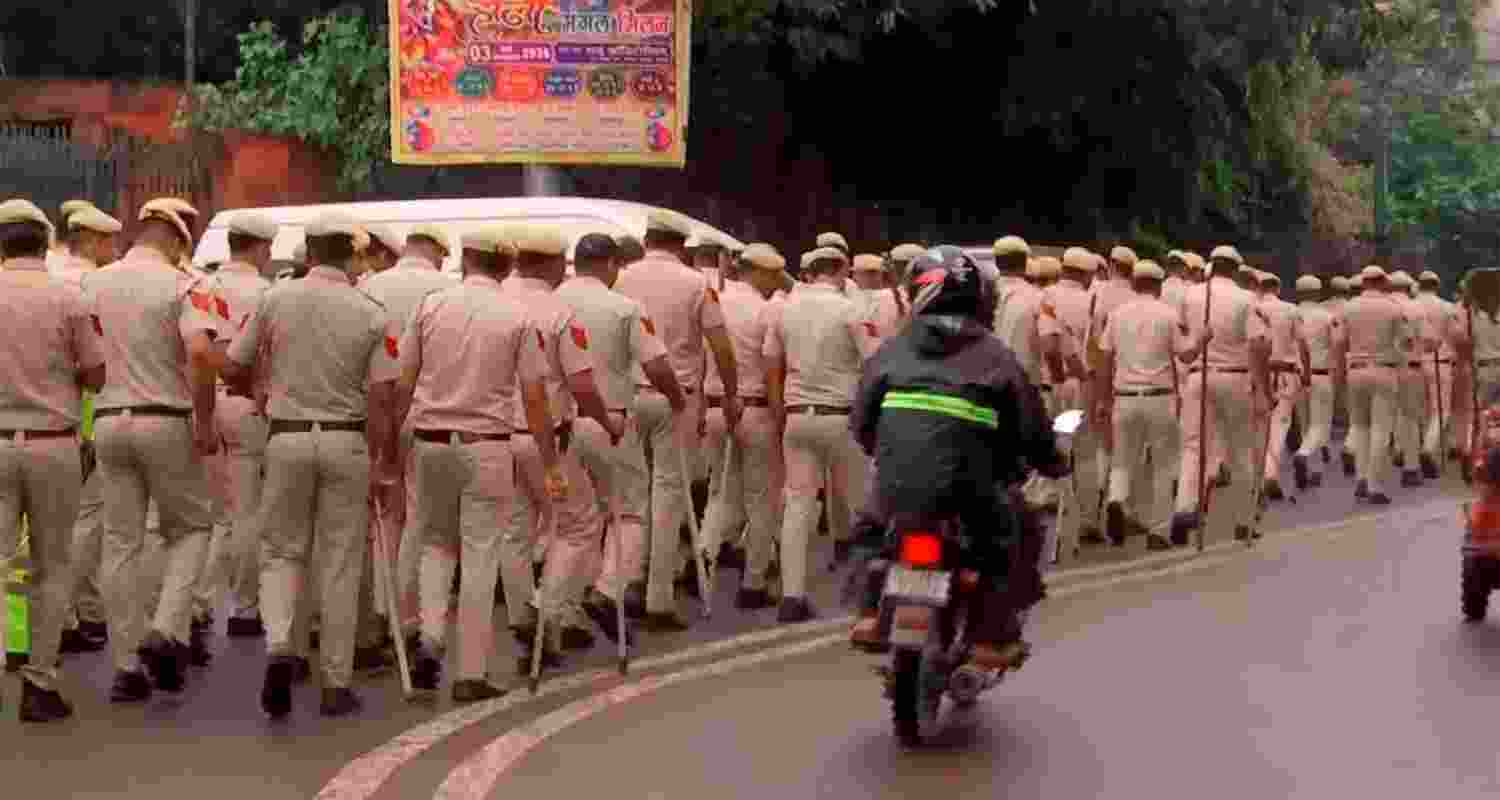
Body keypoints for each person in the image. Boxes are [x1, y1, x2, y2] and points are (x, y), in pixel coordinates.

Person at [848, 245, 1067, 668]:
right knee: (1016, 536)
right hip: (974, 491)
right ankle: (990, 636)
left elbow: (861, 422)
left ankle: (872, 611)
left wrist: (890, 454)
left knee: (871, 531)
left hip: (899, 486)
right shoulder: (996, 356)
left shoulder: (892, 351)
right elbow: (1033, 428)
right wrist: (1052, 462)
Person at [224, 212, 399, 718]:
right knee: (341, 561)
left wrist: (265, 383)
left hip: (286, 437)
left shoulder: (274, 299)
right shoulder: (369, 309)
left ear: (310, 250)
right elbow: (384, 395)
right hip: (346, 440)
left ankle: (281, 644)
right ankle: (336, 682)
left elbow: (234, 365)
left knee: (282, 552)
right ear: (351, 253)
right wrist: (384, 462)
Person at [395, 228, 564, 702]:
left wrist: (389, 447)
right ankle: (470, 671)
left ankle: (429, 636)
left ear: (466, 260)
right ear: (506, 266)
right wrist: (550, 464)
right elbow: (534, 397)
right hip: (487, 444)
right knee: (481, 553)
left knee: (434, 543)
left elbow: (403, 382)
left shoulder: (431, 306)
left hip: (429, 442)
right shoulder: (516, 315)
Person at [88, 198, 228, 704]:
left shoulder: (93, 283)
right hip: (164, 419)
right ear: (175, 240)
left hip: (106, 420)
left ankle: (126, 666)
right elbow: (199, 352)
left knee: (121, 542)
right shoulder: (184, 284)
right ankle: (167, 627)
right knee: (191, 528)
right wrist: (206, 421)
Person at [494, 224, 620, 669]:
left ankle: (520, 613)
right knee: (579, 525)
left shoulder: (493, 299)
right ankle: (546, 613)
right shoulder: (558, 310)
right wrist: (608, 421)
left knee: (515, 529)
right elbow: (583, 385)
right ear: (551, 263)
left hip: (492, 436)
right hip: (544, 436)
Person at [0, 199, 107, 721]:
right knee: (51, 567)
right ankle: (39, 683)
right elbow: (96, 374)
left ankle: (12, 647)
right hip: (52, 445)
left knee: (4, 565)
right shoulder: (69, 297)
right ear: (45, 243)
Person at [554, 233, 684, 641]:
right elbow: (657, 363)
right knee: (628, 512)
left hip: (556, 426)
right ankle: (608, 589)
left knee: (574, 524)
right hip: (608, 420)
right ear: (611, 264)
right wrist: (677, 398)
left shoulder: (549, 301)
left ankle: (557, 609)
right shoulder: (624, 307)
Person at [614, 210, 739, 632]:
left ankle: (625, 581)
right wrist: (731, 392)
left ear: (647, 238)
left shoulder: (622, 277)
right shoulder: (696, 283)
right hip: (675, 398)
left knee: (633, 496)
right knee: (669, 494)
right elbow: (721, 345)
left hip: (628, 397)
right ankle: (658, 598)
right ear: (680, 244)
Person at [765, 245, 881, 623]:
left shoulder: (785, 309)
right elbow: (874, 363)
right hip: (840, 416)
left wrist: (780, 410)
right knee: (862, 504)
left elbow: (772, 361)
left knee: (797, 506)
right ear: (841, 270)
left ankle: (792, 596)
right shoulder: (851, 310)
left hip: (797, 415)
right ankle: (871, 592)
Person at [362, 225, 456, 651]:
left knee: (382, 519)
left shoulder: (369, 286)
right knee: (421, 520)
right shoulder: (446, 290)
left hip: (374, 408)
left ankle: (381, 610)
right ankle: (407, 615)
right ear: (437, 252)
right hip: (426, 412)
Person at [698, 244, 787, 610]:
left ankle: (705, 556)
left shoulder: (716, 301)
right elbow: (772, 369)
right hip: (754, 408)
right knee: (761, 498)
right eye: (773, 275)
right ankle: (753, 581)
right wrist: (781, 416)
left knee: (722, 489)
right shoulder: (766, 310)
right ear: (760, 273)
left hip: (717, 407)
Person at [204, 214, 278, 642]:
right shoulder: (266, 294)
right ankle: (245, 607)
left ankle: (193, 607)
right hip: (248, 404)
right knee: (247, 512)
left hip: (201, 404)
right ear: (262, 249)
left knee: (205, 517)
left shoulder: (200, 286)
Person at [1170, 245, 1272, 544]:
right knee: (1240, 450)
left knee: (1192, 446)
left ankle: (1185, 507)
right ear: (1237, 269)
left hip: (1198, 377)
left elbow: (1187, 335)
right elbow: (1256, 346)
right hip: (1234, 378)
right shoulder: (1246, 299)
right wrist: (1263, 388)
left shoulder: (1191, 295)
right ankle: (1243, 520)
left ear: (1212, 266)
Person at [1095, 260, 1186, 550]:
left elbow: (1105, 360)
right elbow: (1184, 356)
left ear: (1134, 284)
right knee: (1163, 465)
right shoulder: (1168, 315)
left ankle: (1116, 499)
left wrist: (1103, 399)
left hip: (1124, 396)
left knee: (1122, 460)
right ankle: (1159, 532)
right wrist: (1203, 338)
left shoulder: (1118, 315)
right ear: (1159, 286)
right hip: (1160, 397)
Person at [1342, 265, 1411, 505]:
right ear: (1383, 282)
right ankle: (1374, 484)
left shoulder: (1347, 308)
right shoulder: (1393, 308)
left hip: (1355, 371)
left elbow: (1339, 344)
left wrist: (1340, 377)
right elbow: (1407, 341)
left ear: (1363, 282)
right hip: (1383, 371)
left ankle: (1361, 478)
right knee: (1381, 430)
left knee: (1360, 427)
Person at [1257, 272, 1309, 502]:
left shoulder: (1252, 308)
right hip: (1286, 373)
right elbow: (1303, 344)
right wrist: (1306, 373)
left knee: (1260, 427)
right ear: (1277, 289)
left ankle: (1263, 475)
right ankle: (1269, 474)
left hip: (1259, 373)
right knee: (1279, 426)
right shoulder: (1290, 310)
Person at [1290, 276, 1344, 490]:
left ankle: (1315, 470)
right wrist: (1338, 373)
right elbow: (1338, 344)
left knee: (1305, 424)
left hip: (1297, 376)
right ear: (1318, 292)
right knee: (1320, 424)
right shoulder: (1326, 316)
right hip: (1320, 375)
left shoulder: (1290, 313)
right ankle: (1304, 456)